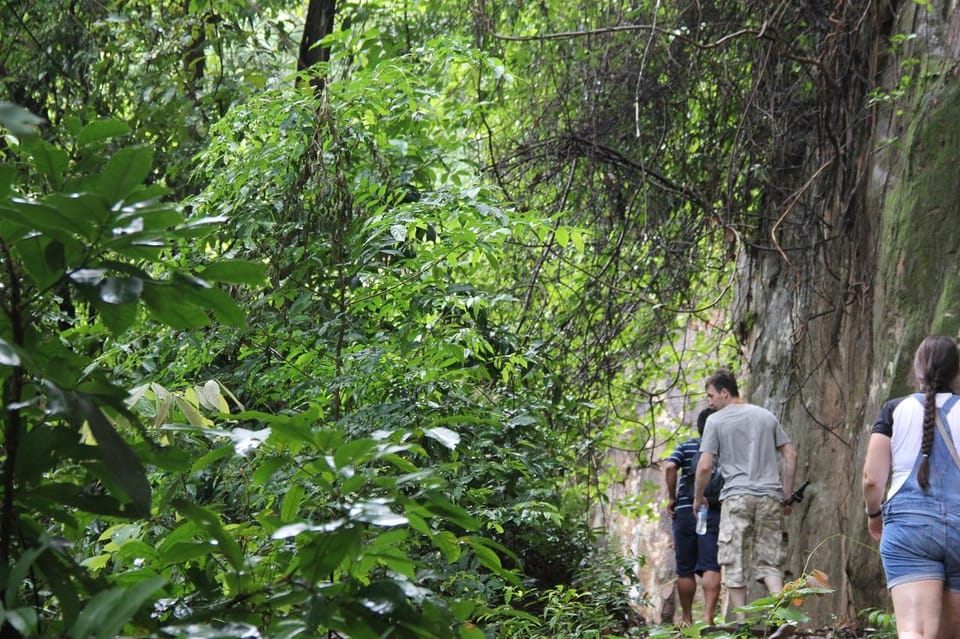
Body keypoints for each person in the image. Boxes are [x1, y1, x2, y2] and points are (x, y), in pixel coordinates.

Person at [862, 335, 960, 639]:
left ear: (917, 371)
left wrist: (873, 515)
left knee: (915, 632)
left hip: (909, 530)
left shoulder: (894, 409)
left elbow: (871, 479)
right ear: (957, 371)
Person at [693, 369, 798, 620]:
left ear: (725, 393)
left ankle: (742, 625)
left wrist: (698, 498)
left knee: (733, 561)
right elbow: (790, 455)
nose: (709, 402)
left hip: (737, 496)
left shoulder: (715, 421)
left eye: (711, 396)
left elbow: (705, 466)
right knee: (771, 562)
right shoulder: (766, 416)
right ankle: (783, 617)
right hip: (770, 497)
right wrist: (786, 495)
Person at [664, 408, 721, 625]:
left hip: (686, 511)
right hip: (712, 510)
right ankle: (708, 619)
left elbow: (670, 467)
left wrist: (672, 498)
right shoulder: (721, 449)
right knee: (711, 565)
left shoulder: (686, 446)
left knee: (685, 569)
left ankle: (686, 619)